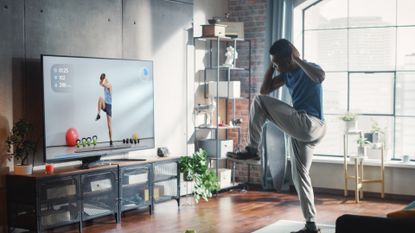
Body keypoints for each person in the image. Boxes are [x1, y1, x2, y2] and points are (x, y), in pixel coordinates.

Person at [227, 39, 326, 233]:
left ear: (290, 58)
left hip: (311, 124)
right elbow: (265, 90)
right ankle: (311, 224)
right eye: (274, 63)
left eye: (277, 63)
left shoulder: (309, 68)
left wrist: (298, 60)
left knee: (259, 102)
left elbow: (320, 76)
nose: (276, 66)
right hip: (301, 130)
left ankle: (253, 149)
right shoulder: (286, 75)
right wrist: (271, 68)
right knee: (299, 177)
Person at [96, 73, 113, 146]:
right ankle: (99, 114)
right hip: (105, 104)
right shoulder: (104, 85)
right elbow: (100, 83)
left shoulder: (109, 85)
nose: (103, 81)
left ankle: (111, 140)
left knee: (109, 125)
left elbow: (103, 84)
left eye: (104, 79)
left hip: (109, 106)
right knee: (100, 98)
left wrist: (105, 78)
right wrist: (102, 78)